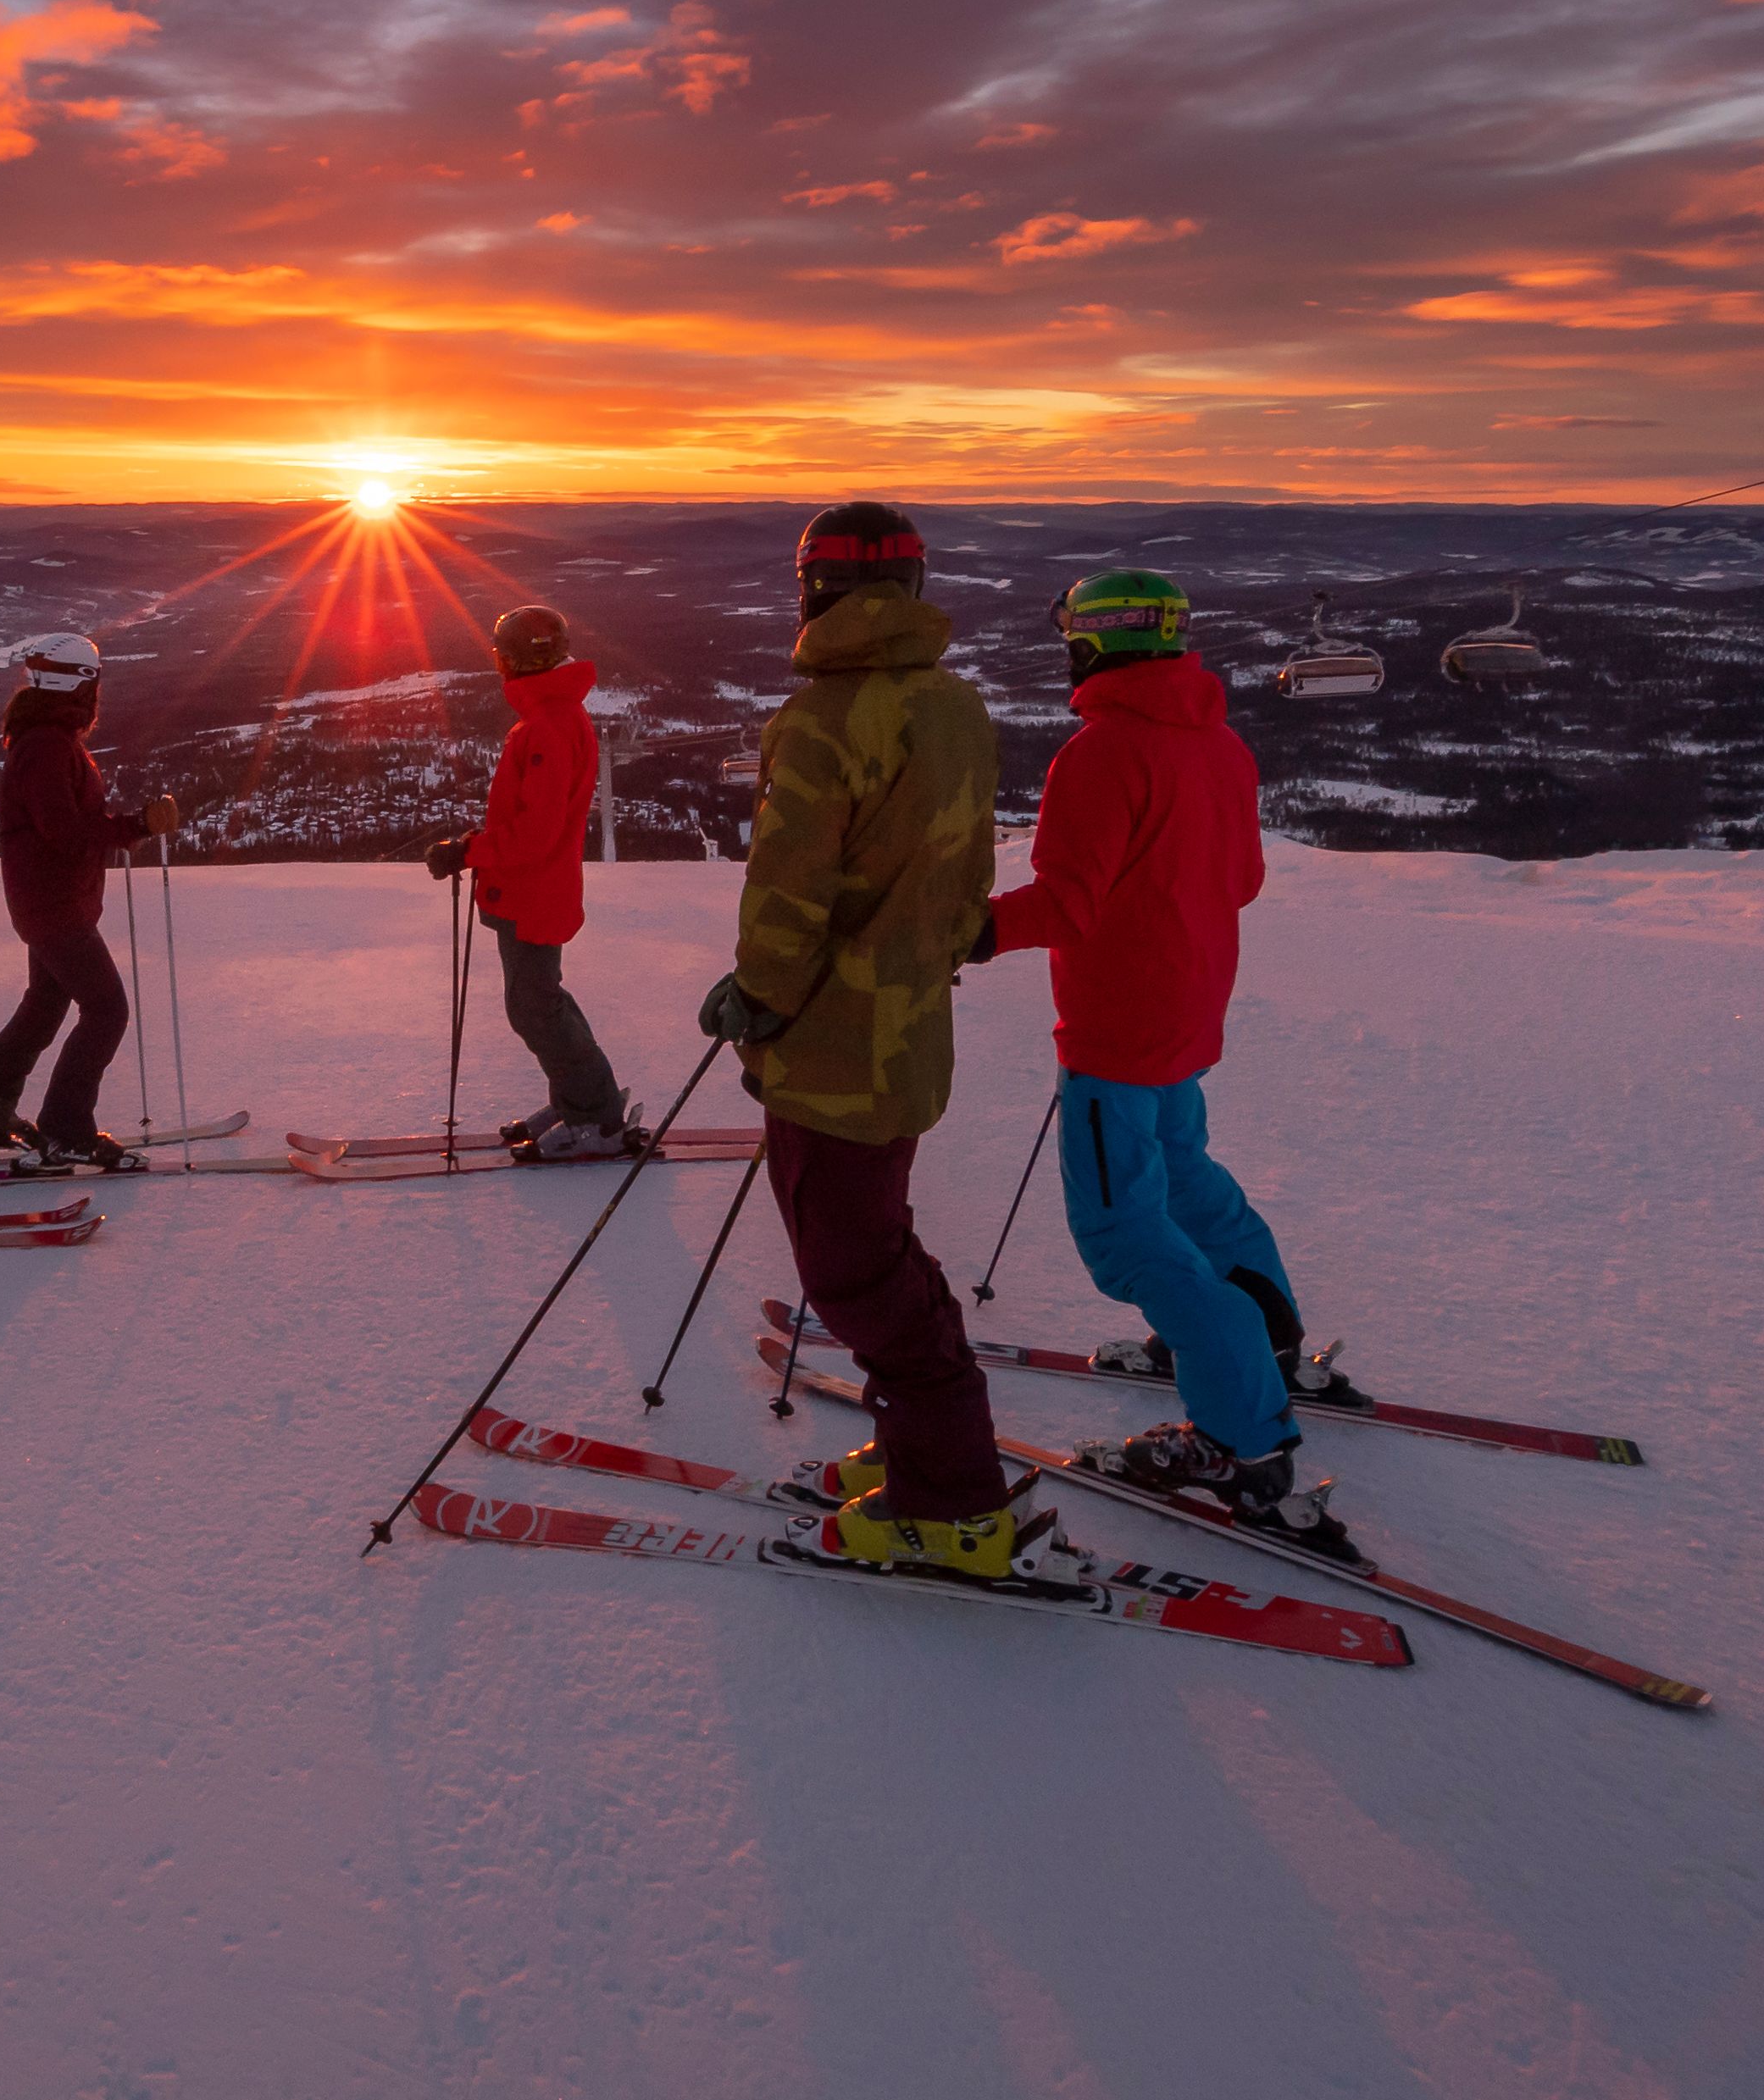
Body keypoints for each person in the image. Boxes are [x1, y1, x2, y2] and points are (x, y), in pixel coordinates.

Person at [698, 501, 1082, 1591]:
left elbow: (787, 892)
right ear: (912, 588)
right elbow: (964, 888)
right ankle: (925, 1452)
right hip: (911, 1034)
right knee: (881, 1247)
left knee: (853, 1271)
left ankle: (950, 1502)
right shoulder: (954, 706)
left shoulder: (821, 720)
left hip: (830, 1050)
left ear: (812, 588)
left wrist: (756, 995)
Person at [968, 569, 1344, 1554]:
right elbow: (1245, 880)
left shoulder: (1100, 754)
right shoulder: (1217, 742)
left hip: (1117, 1028)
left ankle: (1238, 1437)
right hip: (1187, 1008)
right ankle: (1264, 1342)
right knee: (1184, 1180)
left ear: (1091, 644)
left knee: (1126, 1233)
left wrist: (962, 931)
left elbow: (1064, 904)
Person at [0, 632, 181, 1169]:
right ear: (82, 686)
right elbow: (63, 831)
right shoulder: (49, 745)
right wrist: (136, 826)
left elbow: (61, 825)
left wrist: (128, 827)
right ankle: (66, 1127)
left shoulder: (42, 739)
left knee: (43, 1008)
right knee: (107, 1010)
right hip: (55, 906)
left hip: (47, 902)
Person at [423, 603, 637, 1161]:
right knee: (540, 1001)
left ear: (514, 661)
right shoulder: (556, 714)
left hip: (533, 890)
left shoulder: (545, 725)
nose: (498, 667)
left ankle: (596, 1115)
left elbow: (533, 833)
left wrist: (469, 850)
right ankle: (580, 1101)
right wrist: (479, 844)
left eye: (500, 657)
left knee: (534, 1006)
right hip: (535, 887)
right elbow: (533, 818)